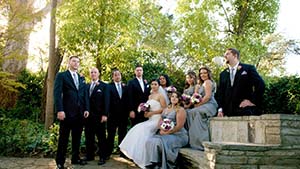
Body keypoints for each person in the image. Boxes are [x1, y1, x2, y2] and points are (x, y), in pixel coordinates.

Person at [119, 79, 167, 168]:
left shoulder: (160, 96)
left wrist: (152, 113)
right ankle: (138, 156)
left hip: (157, 119)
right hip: (150, 119)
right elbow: (148, 111)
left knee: (143, 130)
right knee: (136, 128)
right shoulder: (150, 96)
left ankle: (146, 159)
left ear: (158, 86)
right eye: (152, 84)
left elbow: (164, 109)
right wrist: (145, 112)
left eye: (155, 84)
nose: (153, 86)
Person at [54, 56, 89, 169]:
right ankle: (60, 162)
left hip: (79, 114)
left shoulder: (81, 78)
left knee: (77, 138)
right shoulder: (62, 75)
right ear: (69, 62)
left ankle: (75, 158)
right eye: (74, 61)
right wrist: (60, 110)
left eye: (78, 62)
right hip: (66, 113)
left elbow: (84, 95)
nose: (76, 63)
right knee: (63, 138)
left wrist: (86, 109)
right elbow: (57, 94)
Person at [145, 91, 188, 169]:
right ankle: (153, 162)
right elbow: (160, 122)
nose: (174, 98)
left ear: (179, 99)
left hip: (178, 134)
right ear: (170, 98)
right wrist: (161, 129)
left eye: (176, 97)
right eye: (172, 96)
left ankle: (159, 164)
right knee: (150, 140)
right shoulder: (166, 109)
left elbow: (179, 126)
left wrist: (168, 132)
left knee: (159, 142)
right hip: (165, 133)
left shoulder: (180, 110)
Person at [217, 48, 265, 117]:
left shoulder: (248, 69)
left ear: (235, 55)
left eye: (227, 54)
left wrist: (252, 101)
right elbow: (220, 93)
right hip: (227, 111)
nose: (225, 56)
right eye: (224, 55)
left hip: (244, 109)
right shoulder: (223, 74)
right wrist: (220, 109)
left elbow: (260, 85)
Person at [186, 66, 218, 150]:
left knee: (197, 112)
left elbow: (207, 97)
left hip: (210, 104)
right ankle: (194, 141)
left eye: (205, 73)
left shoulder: (208, 82)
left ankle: (202, 142)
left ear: (208, 74)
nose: (203, 75)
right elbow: (195, 96)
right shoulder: (199, 85)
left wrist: (198, 105)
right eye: (201, 73)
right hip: (202, 104)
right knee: (189, 112)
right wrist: (194, 100)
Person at [84, 67, 108, 165]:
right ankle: (90, 155)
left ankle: (102, 157)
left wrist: (105, 114)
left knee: (101, 137)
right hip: (88, 116)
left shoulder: (104, 86)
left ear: (98, 74)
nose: (93, 74)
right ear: (90, 74)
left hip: (99, 116)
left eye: (95, 72)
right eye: (91, 72)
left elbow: (106, 101)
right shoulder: (86, 86)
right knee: (89, 136)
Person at [105, 68, 129, 158]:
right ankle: (108, 153)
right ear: (112, 77)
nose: (117, 76)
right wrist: (106, 113)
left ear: (121, 76)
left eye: (118, 74)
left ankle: (122, 153)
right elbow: (107, 100)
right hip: (112, 115)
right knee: (111, 134)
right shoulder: (109, 86)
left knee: (122, 134)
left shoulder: (125, 87)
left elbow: (127, 100)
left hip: (123, 115)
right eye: (115, 75)